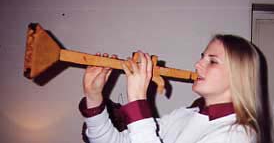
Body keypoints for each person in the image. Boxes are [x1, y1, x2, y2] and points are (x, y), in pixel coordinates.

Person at [78, 34, 273, 143]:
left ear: (238, 76)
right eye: (202, 56)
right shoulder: (185, 115)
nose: (197, 64)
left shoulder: (238, 135)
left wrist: (138, 101)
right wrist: (94, 97)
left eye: (212, 61)